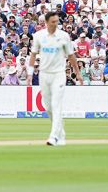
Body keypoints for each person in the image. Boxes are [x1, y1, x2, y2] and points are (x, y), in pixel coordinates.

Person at [27, 11, 83, 146]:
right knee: (48, 107)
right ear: (46, 22)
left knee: (56, 104)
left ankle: (53, 136)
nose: (55, 24)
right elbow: (33, 55)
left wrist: (78, 73)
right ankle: (61, 133)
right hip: (44, 74)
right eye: (53, 22)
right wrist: (29, 74)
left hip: (59, 74)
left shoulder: (64, 36)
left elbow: (71, 56)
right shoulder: (39, 36)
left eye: (57, 22)